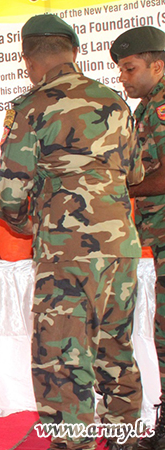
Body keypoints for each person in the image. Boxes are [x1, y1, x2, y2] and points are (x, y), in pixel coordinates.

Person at [0, 14, 144, 450]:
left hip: (67, 249)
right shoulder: (115, 102)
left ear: (28, 61)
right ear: (74, 52)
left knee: (62, 359)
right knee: (114, 347)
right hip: (121, 247)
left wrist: (29, 225)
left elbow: (8, 193)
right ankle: (123, 440)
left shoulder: (30, 106)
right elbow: (132, 173)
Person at [110, 26, 165, 449]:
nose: (123, 78)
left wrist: (117, 190)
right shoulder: (148, 106)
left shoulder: (162, 105)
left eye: (130, 68)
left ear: (157, 65)